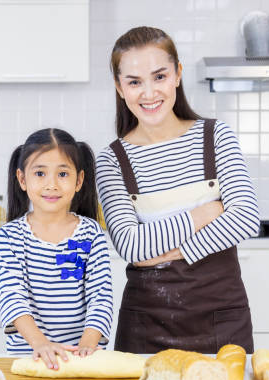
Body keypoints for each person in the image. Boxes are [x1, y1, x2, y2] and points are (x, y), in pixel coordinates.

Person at [96, 26, 260, 354]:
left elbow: (245, 220)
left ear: (177, 75)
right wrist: (205, 213)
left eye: (159, 76)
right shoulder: (111, 161)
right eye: (134, 82)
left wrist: (163, 254)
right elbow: (131, 246)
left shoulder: (217, 137)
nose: (149, 93)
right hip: (145, 326)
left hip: (222, 320)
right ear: (119, 87)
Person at [0, 128, 113, 370]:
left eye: (62, 173)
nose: (51, 184)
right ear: (22, 179)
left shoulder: (91, 233)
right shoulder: (10, 236)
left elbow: (100, 298)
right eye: (40, 173)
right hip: (28, 356)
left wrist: (86, 348)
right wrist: (40, 344)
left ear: (79, 181)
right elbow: (12, 297)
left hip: (80, 357)